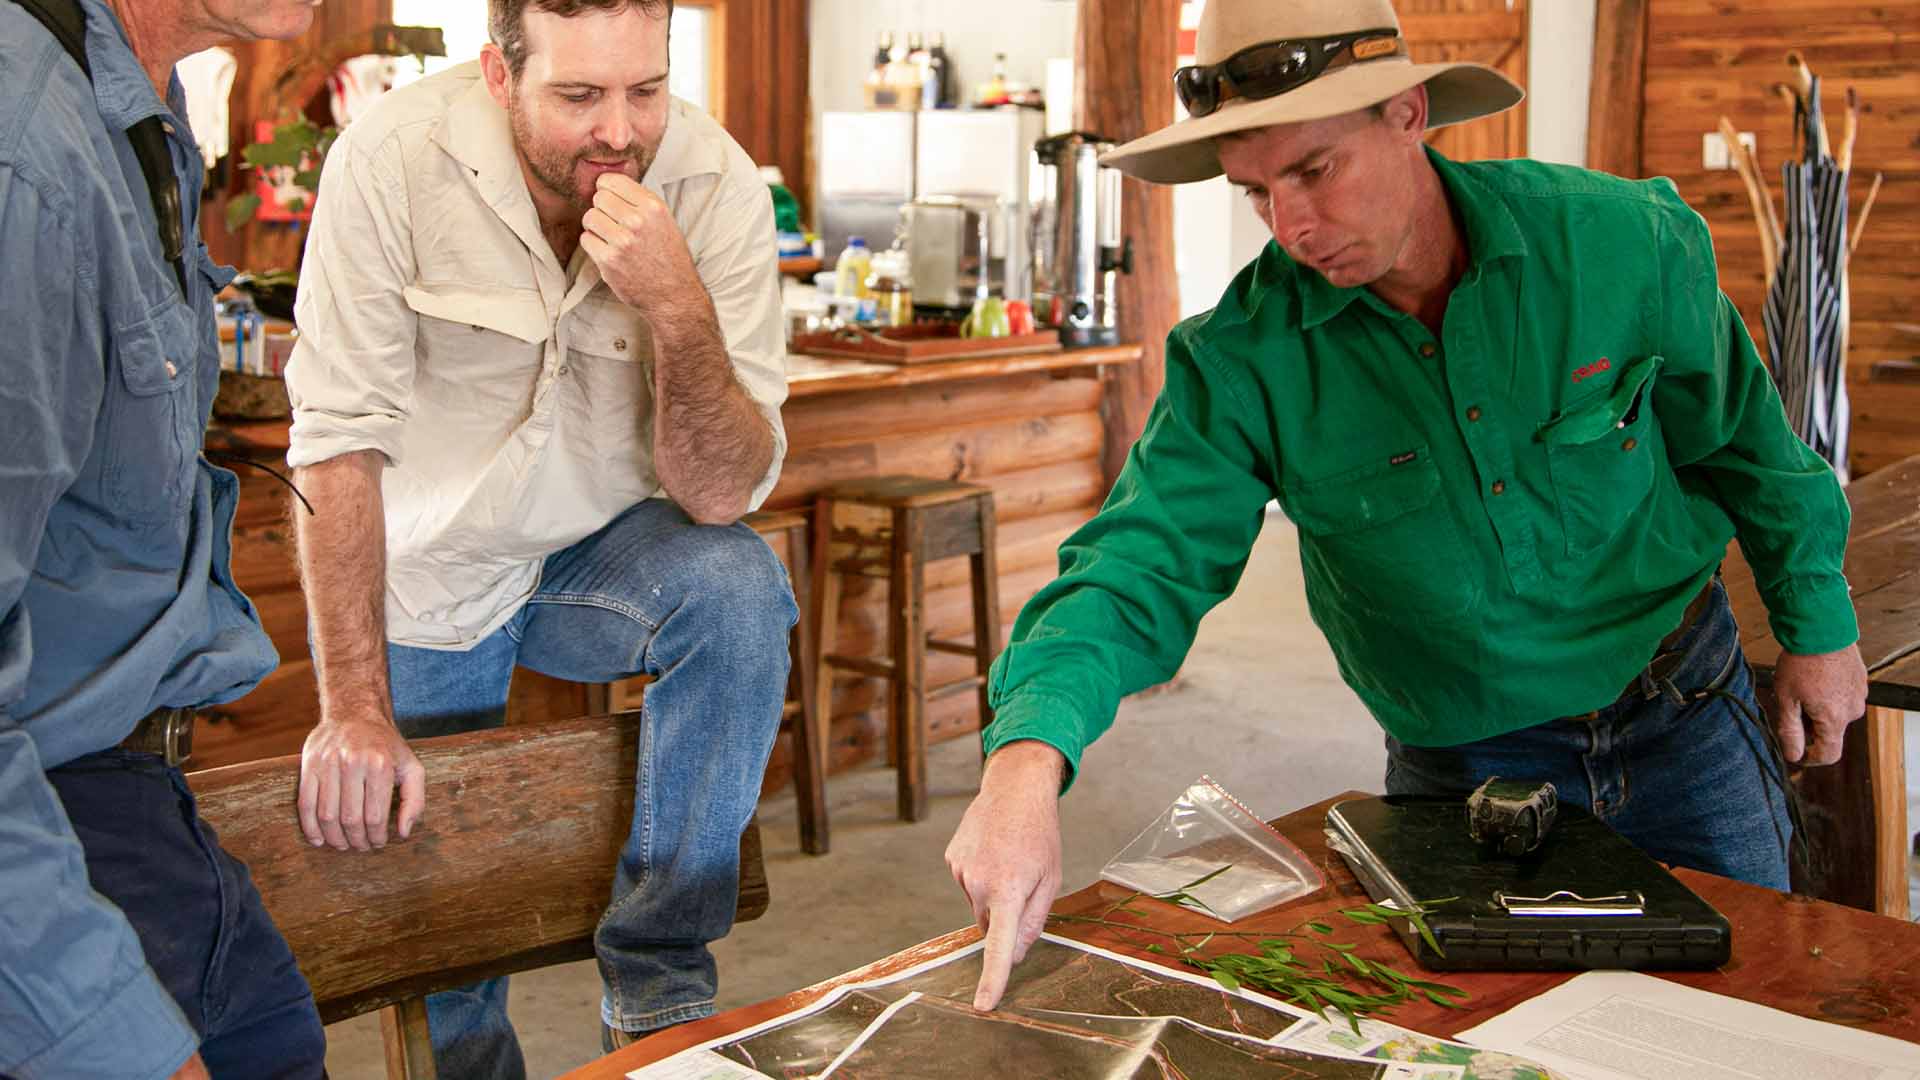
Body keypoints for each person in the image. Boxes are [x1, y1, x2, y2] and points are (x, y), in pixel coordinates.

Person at [946, 0, 1870, 1012]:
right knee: (1493, 1036)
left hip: (1684, 708)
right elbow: (1135, 569)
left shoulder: (1623, 245)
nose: (1291, 228)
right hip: (1465, 764)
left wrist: (1817, 628)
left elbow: (1752, 450)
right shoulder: (1242, 360)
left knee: (1753, 1006)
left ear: (1408, 113)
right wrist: (1024, 765)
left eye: (1313, 170)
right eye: (1256, 193)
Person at [283, 0, 793, 1074]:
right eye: (578, 96)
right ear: (499, 75)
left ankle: (659, 997)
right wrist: (352, 709)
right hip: (427, 568)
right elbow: (336, 445)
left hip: (594, 560)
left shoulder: (716, 182)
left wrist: (679, 309)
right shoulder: (389, 159)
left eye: (644, 91)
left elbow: (719, 493)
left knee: (740, 586)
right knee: (453, 908)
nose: (619, 131)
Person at [0, 0, 330, 1077]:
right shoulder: (28, 150)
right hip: (48, 836)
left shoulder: (139, 102)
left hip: (134, 805)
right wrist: (109, 1037)